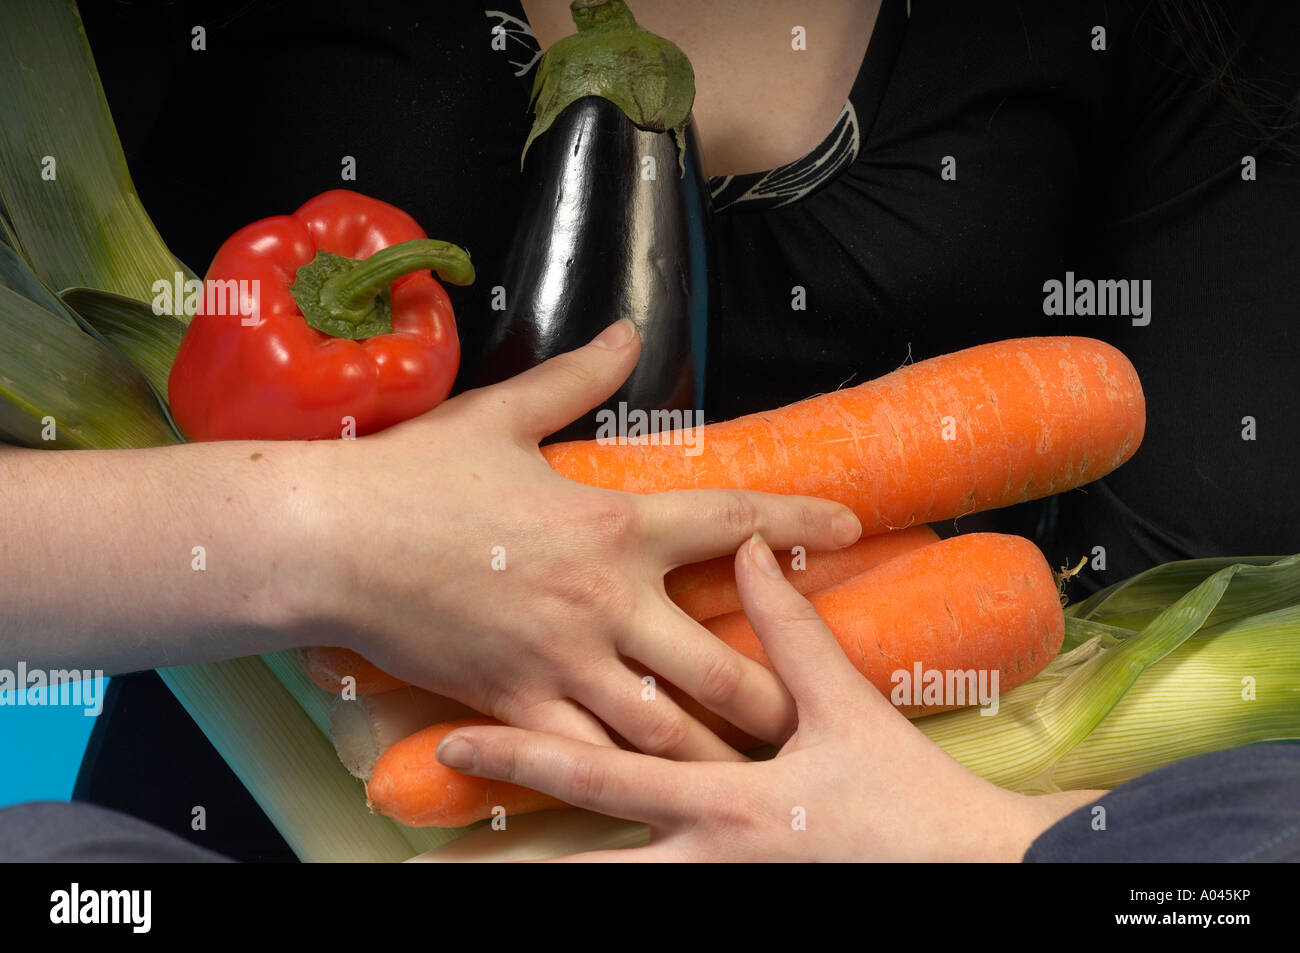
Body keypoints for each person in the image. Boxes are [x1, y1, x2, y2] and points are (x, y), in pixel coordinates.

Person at [3, 0, 1296, 860]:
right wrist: (323, 538)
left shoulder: (1199, 31)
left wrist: (998, 838)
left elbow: (1221, 672)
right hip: (228, 831)